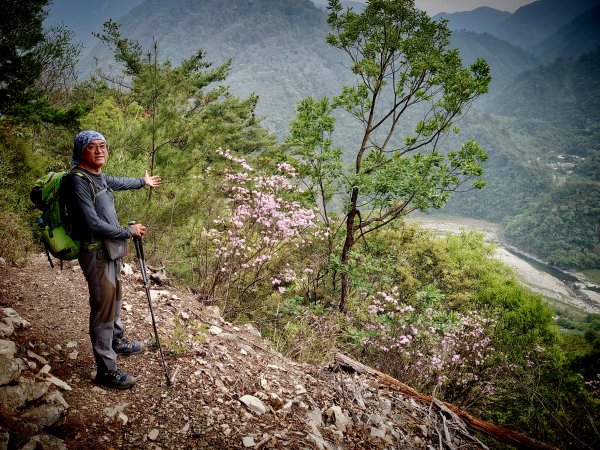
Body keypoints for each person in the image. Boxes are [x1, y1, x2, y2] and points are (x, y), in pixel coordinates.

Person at [60, 130, 161, 389]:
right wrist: (128, 232)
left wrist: (142, 182)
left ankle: (116, 340)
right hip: (95, 251)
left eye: (103, 145)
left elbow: (118, 182)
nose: (99, 150)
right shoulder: (76, 181)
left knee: (115, 298)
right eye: (92, 147)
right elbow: (91, 223)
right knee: (103, 308)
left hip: (111, 250)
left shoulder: (98, 177)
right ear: (81, 151)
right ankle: (105, 370)